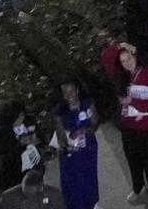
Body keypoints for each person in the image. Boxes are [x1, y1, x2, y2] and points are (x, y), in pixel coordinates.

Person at [109, 43, 148, 205]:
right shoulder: (127, 76)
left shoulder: (147, 73)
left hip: (143, 127)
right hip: (129, 127)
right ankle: (139, 188)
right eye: (123, 61)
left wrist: (130, 104)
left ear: (135, 56)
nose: (127, 63)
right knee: (133, 160)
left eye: (129, 58)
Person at [52, 80, 99, 209]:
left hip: (89, 147)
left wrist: (84, 130)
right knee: (72, 182)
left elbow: (95, 123)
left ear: (77, 90)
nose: (69, 95)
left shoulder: (88, 103)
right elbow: (60, 137)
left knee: (89, 176)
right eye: (65, 93)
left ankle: (92, 203)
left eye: (71, 91)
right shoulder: (59, 113)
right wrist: (68, 146)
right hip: (70, 152)